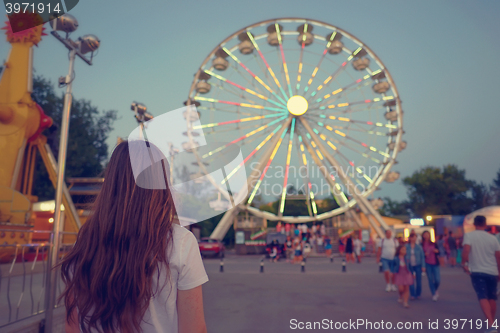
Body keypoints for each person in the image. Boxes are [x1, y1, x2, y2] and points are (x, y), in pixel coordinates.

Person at [60, 141, 208, 333]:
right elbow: (193, 329)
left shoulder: (87, 241)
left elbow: (72, 326)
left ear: (111, 182)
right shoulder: (181, 242)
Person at [462, 215, 500, 333]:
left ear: (474, 224)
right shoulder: (492, 238)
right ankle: (491, 324)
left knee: (482, 296)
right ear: (485, 224)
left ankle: (491, 325)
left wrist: (464, 263)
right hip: (492, 271)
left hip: (477, 270)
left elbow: (466, 250)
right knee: (492, 297)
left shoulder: (469, 236)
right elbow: (498, 256)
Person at [422, 230, 440, 301]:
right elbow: (420, 254)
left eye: (427, 234)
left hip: (435, 263)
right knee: (430, 279)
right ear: (423, 236)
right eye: (425, 234)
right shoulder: (422, 244)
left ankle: (435, 289)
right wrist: (424, 254)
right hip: (427, 263)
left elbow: (439, 251)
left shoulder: (433, 243)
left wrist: (437, 251)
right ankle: (434, 294)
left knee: (437, 279)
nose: (426, 236)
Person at [405, 233, 425, 300]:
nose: (413, 239)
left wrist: (423, 266)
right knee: (410, 280)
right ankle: (412, 294)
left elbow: (422, 257)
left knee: (418, 281)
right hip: (409, 265)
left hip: (418, 265)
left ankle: (418, 293)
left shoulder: (419, 247)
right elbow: (403, 255)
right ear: (410, 238)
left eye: (415, 237)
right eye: (412, 237)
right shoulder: (406, 246)